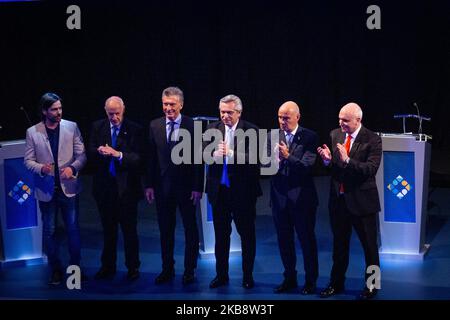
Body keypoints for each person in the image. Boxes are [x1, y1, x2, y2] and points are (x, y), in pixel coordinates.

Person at [317, 102, 382, 300]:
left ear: (358, 120)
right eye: (339, 119)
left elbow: (370, 169)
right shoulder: (335, 134)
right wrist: (328, 161)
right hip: (339, 201)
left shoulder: (373, 139)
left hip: (363, 202)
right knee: (339, 246)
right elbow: (335, 170)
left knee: (370, 248)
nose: (341, 123)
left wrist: (347, 161)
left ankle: (373, 286)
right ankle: (336, 283)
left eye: (345, 120)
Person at [24, 92, 87, 285]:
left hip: (68, 189)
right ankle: (56, 269)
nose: (58, 112)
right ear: (44, 111)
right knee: (49, 231)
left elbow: (82, 155)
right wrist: (41, 168)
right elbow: (28, 161)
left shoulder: (71, 127)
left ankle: (75, 269)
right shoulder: (33, 132)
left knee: (73, 229)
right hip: (47, 190)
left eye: (60, 108)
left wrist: (73, 167)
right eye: (54, 109)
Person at [144, 87, 203, 285]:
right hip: (162, 188)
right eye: (165, 104)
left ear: (181, 104)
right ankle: (167, 269)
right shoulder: (154, 125)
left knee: (190, 229)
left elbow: (197, 160)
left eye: (172, 104)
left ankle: (189, 270)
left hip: (186, 189)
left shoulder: (192, 126)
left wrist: (197, 187)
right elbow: (151, 159)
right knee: (165, 230)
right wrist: (149, 185)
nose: (168, 108)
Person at [205, 94, 262, 289]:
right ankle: (221, 275)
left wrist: (231, 153)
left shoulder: (251, 130)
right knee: (221, 236)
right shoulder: (212, 128)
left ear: (239, 112)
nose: (225, 116)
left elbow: (256, 159)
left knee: (247, 235)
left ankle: (248, 276)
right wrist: (212, 154)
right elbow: (202, 153)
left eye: (229, 112)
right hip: (219, 192)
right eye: (222, 112)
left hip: (243, 194)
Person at [89, 96, 144, 281]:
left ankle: (133, 267)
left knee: (130, 232)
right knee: (108, 231)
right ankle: (108, 267)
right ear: (106, 112)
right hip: (105, 190)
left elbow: (138, 159)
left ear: (123, 110)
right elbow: (89, 151)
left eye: (117, 113)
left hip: (127, 191)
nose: (114, 117)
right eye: (111, 114)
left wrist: (118, 154)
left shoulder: (135, 129)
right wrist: (98, 151)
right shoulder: (98, 127)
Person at [269, 101, 319, 295]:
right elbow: (264, 167)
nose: (282, 121)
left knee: (307, 241)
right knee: (284, 241)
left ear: (297, 117)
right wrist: (271, 160)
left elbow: (307, 166)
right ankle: (289, 278)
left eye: (286, 117)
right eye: (280, 117)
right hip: (279, 199)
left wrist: (287, 156)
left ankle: (310, 281)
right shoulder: (272, 136)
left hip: (302, 200)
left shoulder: (309, 137)